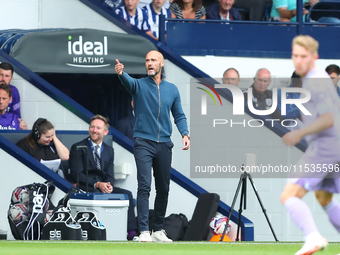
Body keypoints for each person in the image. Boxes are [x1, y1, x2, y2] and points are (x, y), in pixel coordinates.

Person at [115, 50, 190, 243]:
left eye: (153, 60)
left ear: (161, 63)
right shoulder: (139, 85)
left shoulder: (172, 89)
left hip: (164, 143)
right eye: (147, 60)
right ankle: (143, 232)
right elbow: (128, 82)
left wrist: (185, 133)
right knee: (144, 186)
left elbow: (179, 115)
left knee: (163, 188)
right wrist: (121, 73)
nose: (149, 63)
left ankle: (157, 230)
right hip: (143, 142)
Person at [281, 35, 340, 255]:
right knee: (324, 197)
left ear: (314, 57)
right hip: (335, 146)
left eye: (303, 56)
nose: (298, 60)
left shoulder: (316, 81)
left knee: (288, 195)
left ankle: (313, 238)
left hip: (325, 148)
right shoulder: (319, 78)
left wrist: (300, 133)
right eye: (295, 55)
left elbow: (328, 118)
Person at [69, 114, 138, 240]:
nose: (94, 130)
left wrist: (108, 185)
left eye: (98, 128)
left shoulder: (109, 150)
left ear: (105, 132)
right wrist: (97, 184)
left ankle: (131, 233)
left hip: (102, 186)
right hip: (87, 186)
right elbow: (76, 175)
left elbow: (109, 174)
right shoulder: (78, 147)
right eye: (92, 127)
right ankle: (100, 231)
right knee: (97, 193)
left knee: (127, 194)